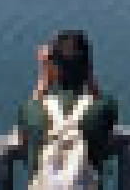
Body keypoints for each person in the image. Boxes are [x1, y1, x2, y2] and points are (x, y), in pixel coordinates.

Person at [17, 30, 119, 188]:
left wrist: (44, 77)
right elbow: (105, 119)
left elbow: (25, 136)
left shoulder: (30, 109)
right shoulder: (104, 107)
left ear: (53, 67)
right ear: (88, 66)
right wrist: (88, 74)